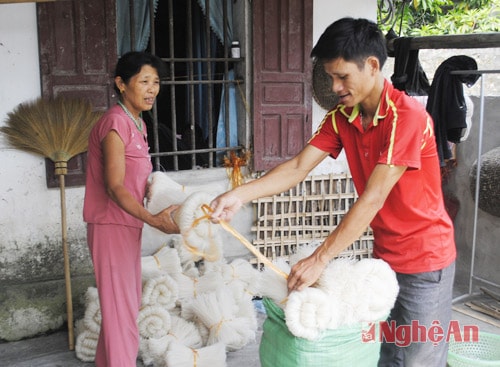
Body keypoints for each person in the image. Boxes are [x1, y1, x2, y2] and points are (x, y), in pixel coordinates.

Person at [210, 18, 456, 367]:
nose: (335, 86)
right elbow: (297, 168)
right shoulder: (342, 118)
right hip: (384, 255)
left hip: (426, 259)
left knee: (419, 358)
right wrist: (239, 195)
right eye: (330, 77)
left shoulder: (407, 117)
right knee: (388, 353)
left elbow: (373, 198)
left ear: (372, 65)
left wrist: (320, 258)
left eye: (342, 76)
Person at [83, 51, 180, 367]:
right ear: (122, 84)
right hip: (110, 226)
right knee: (122, 308)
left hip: (126, 226)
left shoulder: (137, 122)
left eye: (156, 82)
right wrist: (153, 219)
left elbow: (130, 177)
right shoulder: (114, 123)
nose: (152, 89)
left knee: (120, 305)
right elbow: (114, 187)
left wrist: (150, 190)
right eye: (145, 81)